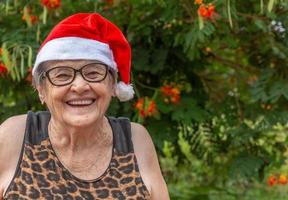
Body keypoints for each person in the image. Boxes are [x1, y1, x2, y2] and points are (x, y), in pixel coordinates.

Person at [0, 13, 169, 200]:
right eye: (62, 75)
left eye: (94, 72)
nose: (80, 86)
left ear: (113, 85)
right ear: (41, 90)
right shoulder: (13, 137)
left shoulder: (135, 140)